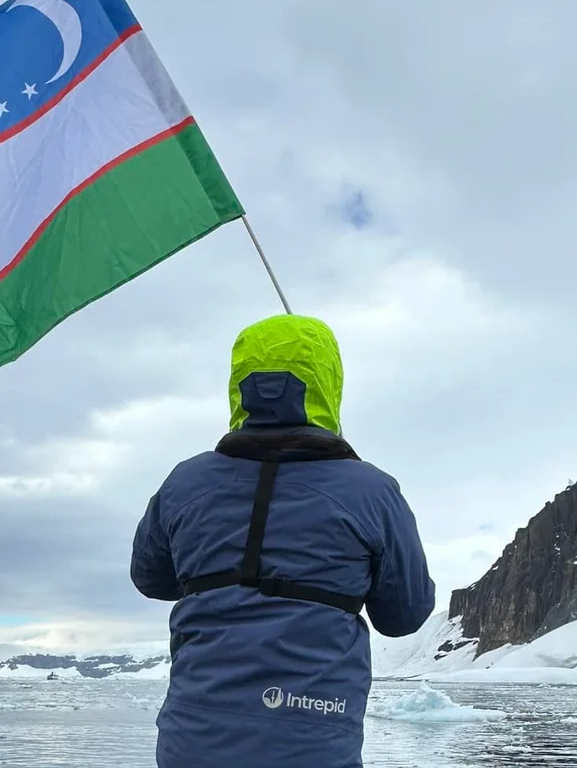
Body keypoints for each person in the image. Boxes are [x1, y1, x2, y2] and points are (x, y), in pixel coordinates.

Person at [130, 313, 436, 768]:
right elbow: (404, 614)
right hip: (313, 741)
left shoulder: (184, 482)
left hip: (192, 742)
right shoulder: (371, 490)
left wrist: (218, 574)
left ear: (240, 385)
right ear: (327, 383)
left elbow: (150, 579)